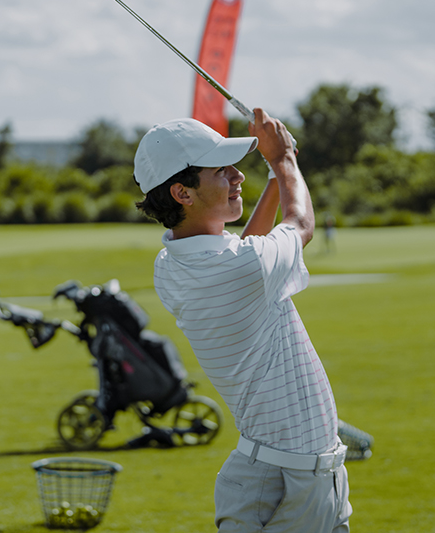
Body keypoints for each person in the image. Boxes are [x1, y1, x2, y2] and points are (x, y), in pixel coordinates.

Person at [134, 111, 351, 533]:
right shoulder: (241, 268)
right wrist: (285, 159)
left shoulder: (171, 264)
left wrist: (274, 177)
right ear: (183, 192)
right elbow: (300, 225)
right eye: (222, 171)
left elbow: (250, 252)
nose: (238, 177)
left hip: (259, 467)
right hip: (299, 476)